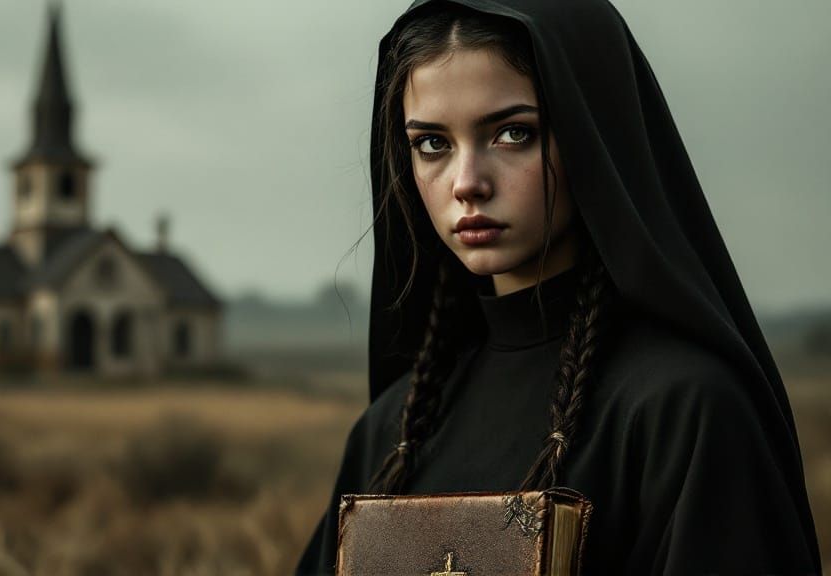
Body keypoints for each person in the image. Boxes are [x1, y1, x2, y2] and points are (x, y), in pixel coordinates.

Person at [294, 0, 823, 574]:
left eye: (513, 133)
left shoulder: (684, 411)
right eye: (432, 144)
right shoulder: (389, 432)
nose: (467, 183)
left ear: (593, 135)